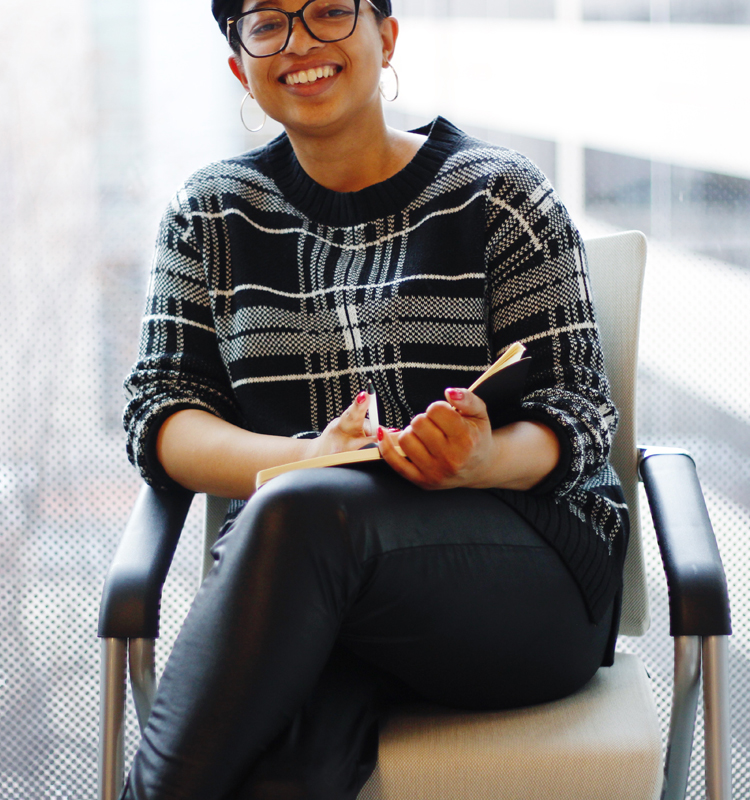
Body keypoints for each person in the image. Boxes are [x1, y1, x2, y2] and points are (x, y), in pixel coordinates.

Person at [120, 0, 629, 797]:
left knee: (302, 515)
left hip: (525, 580)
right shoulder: (210, 214)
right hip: (320, 589)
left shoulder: (499, 195)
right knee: (279, 768)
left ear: (384, 35)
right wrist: (301, 458)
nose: (301, 44)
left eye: (328, 12)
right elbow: (160, 413)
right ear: (237, 62)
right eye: (267, 24)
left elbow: (584, 414)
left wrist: (484, 459)